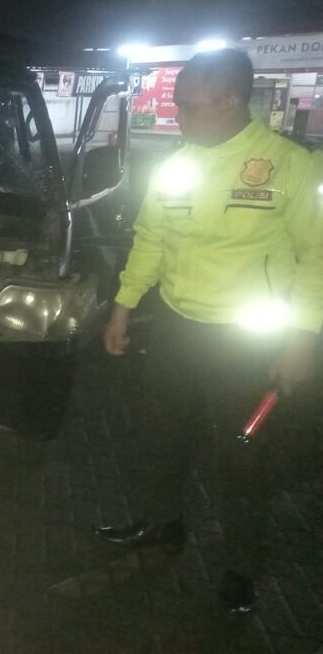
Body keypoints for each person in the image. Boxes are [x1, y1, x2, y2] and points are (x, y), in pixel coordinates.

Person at [96, 48, 323, 614]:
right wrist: (123, 306)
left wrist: (302, 339)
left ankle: (241, 566)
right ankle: (163, 525)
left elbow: (317, 258)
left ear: (230, 101)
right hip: (177, 326)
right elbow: (151, 238)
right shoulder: (178, 163)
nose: (179, 118)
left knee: (244, 455)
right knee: (161, 435)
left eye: (190, 107)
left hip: (248, 340)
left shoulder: (292, 166)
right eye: (178, 106)